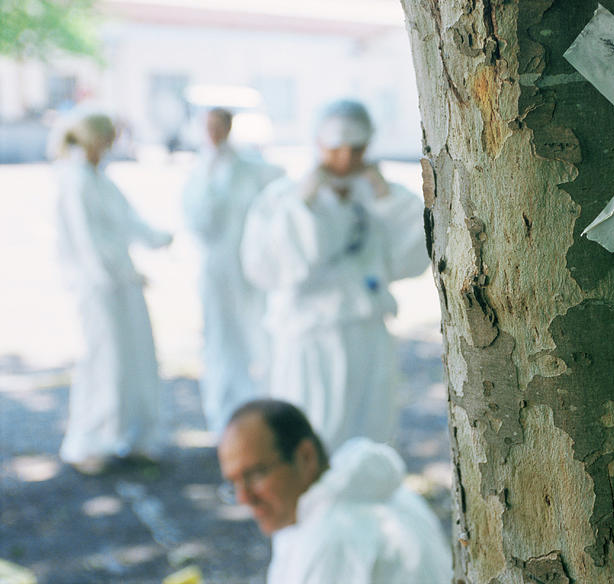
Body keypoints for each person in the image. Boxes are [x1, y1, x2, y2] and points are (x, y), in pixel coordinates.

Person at [240, 99, 429, 451]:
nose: (345, 159)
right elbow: (263, 268)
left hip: (367, 330)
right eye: (336, 148)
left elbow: (412, 257)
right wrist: (303, 207)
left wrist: (385, 198)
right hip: (310, 336)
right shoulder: (282, 199)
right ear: (318, 144)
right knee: (313, 433)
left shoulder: (377, 196)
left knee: (370, 433)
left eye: (356, 149)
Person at [217, 399, 451, 583]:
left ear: (305, 457)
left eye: (256, 474)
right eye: (234, 483)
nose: (244, 497)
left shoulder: (332, 535)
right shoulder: (389, 496)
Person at [53, 110, 172, 472]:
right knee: (105, 361)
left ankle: (132, 435)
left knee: (136, 359)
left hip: (122, 283)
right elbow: (88, 244)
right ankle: (89, 442)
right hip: (101, 287)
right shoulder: (75, 180)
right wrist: (120, 273)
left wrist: (159, 239)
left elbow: (127, 221)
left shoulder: (99, 178)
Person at [183, 108, 284, 435]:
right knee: (220, 340)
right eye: (208, 126)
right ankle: (225, 414)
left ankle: (264, 408)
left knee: (260, 334)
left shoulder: (249, 166)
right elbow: (198, 220)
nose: (214, 133)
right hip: (217, 269)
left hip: (249, 266)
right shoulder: (200, 171)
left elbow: (275, 189)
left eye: (219, 126)